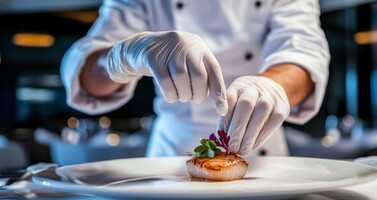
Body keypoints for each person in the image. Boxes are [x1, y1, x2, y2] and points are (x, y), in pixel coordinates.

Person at [60, 0, 330, 157]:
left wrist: (271, 88)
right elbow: (83, 73)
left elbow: (303, 51)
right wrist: (125, 56)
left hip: (261, 149)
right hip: (171, 153)